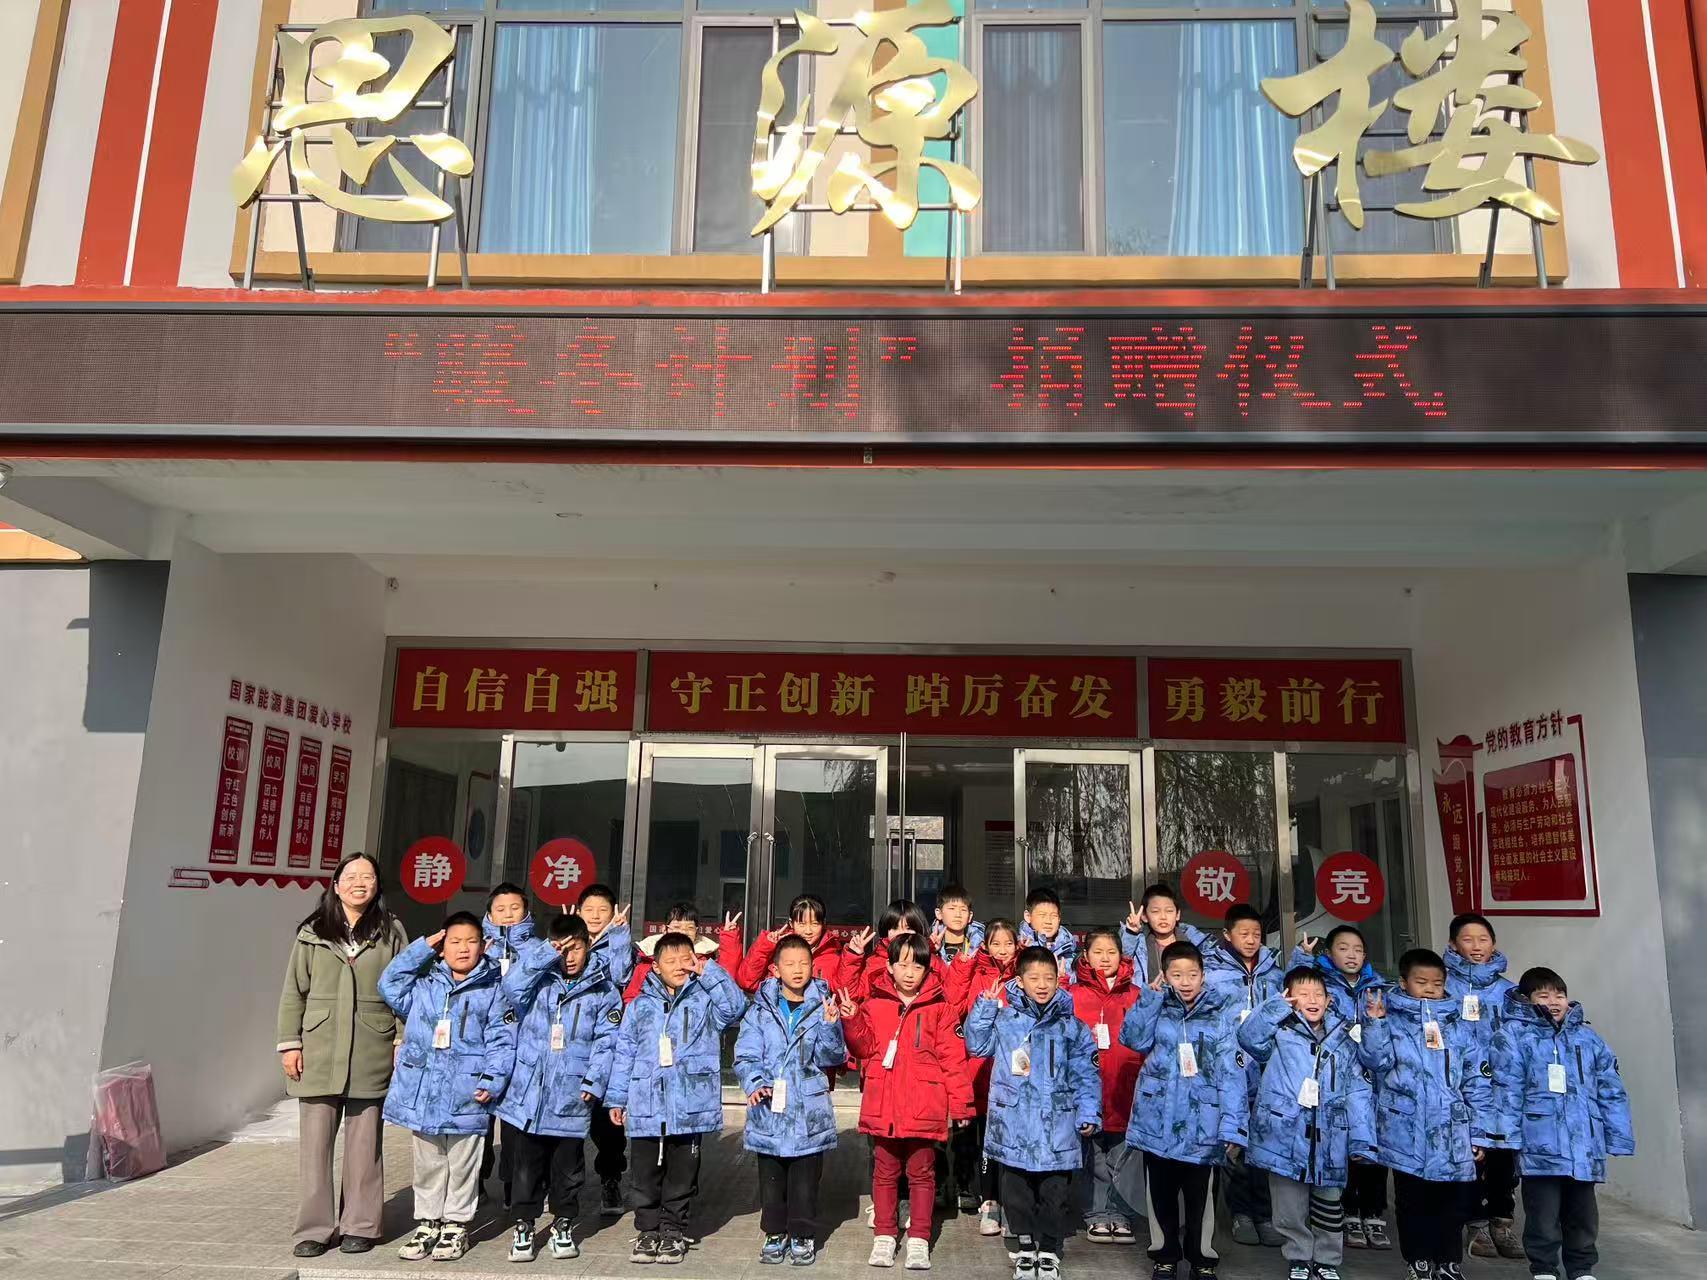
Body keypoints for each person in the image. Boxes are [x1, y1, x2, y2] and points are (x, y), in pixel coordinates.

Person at [276, 852, 410, 1258]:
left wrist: (401, 1040)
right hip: (319, 1048)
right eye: (350, 876)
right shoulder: (313, 932)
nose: (359, 883)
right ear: (336, 886)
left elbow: (404, 989)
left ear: (377, 885)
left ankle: (360, 1225)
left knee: (365, 1145)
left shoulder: (391, 931)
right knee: (315, 1148)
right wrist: (290, 1043)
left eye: (367, 876)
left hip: (371, 1046)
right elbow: (293, 991)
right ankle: (315, 1228)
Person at [378, 911, 517, 1262]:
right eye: (454, 941)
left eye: (471, 941)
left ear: (483, 945)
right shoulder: (425, 985)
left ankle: (456, 1225)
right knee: (427, 1163)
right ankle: (428, 1222)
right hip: (424, 1092)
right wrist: (422, 948)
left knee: (462, 1164)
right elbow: (389, 984)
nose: (463, 948)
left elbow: (502, 1041)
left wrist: (492, 1080)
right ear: (442, 947)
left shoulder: (494, 990)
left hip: (467, 1094)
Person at [606, 931, 748, 1263]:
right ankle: (647, 1230)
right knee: (644, 1175)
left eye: (686, 959)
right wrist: (617, 1098)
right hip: (646, 1103)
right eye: (670, 961)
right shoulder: (640, 1006)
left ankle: (673, 1230)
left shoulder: (705, 1000)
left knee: (681, 1175)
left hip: (689, 1104)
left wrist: (709, 973)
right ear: (655, 966)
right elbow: (624, 1052)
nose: (679, 966)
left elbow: (736, 1008)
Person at [1488, 967, 1634, 1280]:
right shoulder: (1513, 1036)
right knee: (1543, 1214)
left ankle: (1581, 1268)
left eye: (1559, 995)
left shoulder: (1588, 1038)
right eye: (1543, 995)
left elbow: (1611, 1089)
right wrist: (1506, 1137)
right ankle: (1544, 1268)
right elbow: (1507, 1091)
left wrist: (1618, 1135)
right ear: (1526, 999)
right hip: (1539, 1145)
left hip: (1583, 1146)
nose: (1554, 1001)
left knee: (1583, 1215)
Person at [966, 946, 1101, 1280]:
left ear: (1058, 980)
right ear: (1020, 980)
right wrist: (985, 1006)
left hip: (1058, 1128)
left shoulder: (1072, 1027)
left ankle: (1050, 1250)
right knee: (1017, 1196)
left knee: (1055, 1195)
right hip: (1015, 1127)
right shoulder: (1005, 1020)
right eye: (1034, 978)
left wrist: (1088, 1112)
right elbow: (976, 1045)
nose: (1042, 985)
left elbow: (1087, 1073)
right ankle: (1025, 1247)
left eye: (1049, 978)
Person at [1360, 948, 1495, 1280]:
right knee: (1412, 1201)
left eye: (1437, 983)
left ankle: (1449, 1263)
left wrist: (1479, 1132)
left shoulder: (1459, 1026)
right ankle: (1418, 1261)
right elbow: (1375, 1062)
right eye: (1422, 982)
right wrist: (1375, 1024)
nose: (1430, 989)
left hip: (1452, 1130)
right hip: (1405, 1128)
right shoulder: (1391, 1021)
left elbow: (1476, 1081)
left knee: (1453, 1202)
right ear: (1403, 982)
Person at [843, 932, 975, 1271]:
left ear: (928, 969)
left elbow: (953, 1060)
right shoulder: (874, 1004)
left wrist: (961, 1104)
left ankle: (919, 1238)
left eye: (917, 965)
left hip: (924, 1107)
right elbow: (863, 1047)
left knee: (922, 1173)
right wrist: (852, 1018)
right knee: (884, 1173)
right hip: (883, 1105)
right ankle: (885, 1235)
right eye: (902, 965)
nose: (909, 972)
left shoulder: (940, 1008)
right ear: (889, 966)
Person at [497, 912, 624, 1264]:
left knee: (568, 1170)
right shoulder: (537, 979)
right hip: (529, 1096)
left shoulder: (603, 989)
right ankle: (524, 1225)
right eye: (561, 949)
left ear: (588, 946)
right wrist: (543, 954)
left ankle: (563, 1223)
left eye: (576, 948)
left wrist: (595, 1080)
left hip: (571, 1096)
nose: (569, 956)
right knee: (526, 1168)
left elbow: (607, 1041)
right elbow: (510, 988)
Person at [1237, 967, 1377, 1280]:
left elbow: (1357, 1091)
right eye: (1303, 994)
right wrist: (1275, 1007)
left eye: (1318, 994)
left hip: (1331, 1136)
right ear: (1289, 998)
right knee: (1289, 1207)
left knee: (1329, 1204)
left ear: (1329, 1000)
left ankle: (1327, 1260)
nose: (1312, 1000)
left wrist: (1362, 1139)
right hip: (1284, 1135)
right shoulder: (1279, 1032)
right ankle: (1299, 1256)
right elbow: (1248, 1037)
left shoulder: (1344, 1038)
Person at [1119, 941, 1247, 1280]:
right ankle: (1165, 1257)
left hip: (1203, 1127)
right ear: (1165, 976)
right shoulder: (1157, 1007)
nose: (1185, 981)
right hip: (1157, 1122)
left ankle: (1202, 1259)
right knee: (1160, 1197)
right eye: (1177, 974)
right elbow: (1132, 1039)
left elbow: (1232, 1075)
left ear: (1203, 976)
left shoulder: (1220, 1017)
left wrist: (1233, 1127)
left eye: (1192, 974)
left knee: (1200, 1202)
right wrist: (1149, 1000)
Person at [734, 934, 850, 1265]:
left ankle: (802, 1234)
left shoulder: (823, 1003)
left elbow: (831, 1057)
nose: (797, 970)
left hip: (808, 1109)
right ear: (775, 969)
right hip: (769, 1108)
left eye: (804, 963)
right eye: (790, 963)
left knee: (804, 1181)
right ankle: (774, 1232)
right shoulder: (760, 1009)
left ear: (813, 966)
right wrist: (754, 1082)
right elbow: (745, 1054)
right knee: (771, 1180)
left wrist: (830, 1026)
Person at [1295, 924, 1392, 1251]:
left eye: (1358, 949)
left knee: (1373, 1146)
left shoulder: (1378, 988)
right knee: (1340, 1144)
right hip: (1335, 1075)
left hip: (1371, 1078)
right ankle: (1348, 1211)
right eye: (1343, 948)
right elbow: (1295, 991)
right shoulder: (1321, 984)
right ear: (1329, 953)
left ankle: (1374, 1213)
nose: (1351, 955)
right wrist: (1302, 959)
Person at [1203, 903, 1284, 1248]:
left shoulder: (1274, 974)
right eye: (1244, 933)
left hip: (1266, 1071)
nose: (1251, 940)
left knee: (1263, 1144)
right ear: (1227, 935)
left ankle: (1264, 1214)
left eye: (1256, 934)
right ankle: (1240, 1213)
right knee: (1234, 1143)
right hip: (1229, 1069)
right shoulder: (1211, 973)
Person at [1444, 912, 1522, 1261]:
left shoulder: (1510, 992)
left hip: (1502, 1089)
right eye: (1467, 939)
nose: (1476, 946)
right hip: (1462, 1086)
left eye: (1483, 939)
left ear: (1494, 944)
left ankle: (1502, 1222)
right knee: (1470, 1156)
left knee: (1504, 1158)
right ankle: (1475, 1225)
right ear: (1453, 945)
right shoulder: (1444, 986)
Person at [1069, 928, 1145, 1246]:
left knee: (1123, 1154)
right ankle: (1097, 1212)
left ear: (1121, 956)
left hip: (1126, 1087)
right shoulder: (1072, 994)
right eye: (1097, 952)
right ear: (1086, 956)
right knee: (1093, 1155)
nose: (1105, 958)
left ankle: (1121, 1212)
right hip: (1088, 1087)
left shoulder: (1136, 994)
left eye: (1111, 952)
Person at [956, 917, 1022, 1236]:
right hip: (982, 1071)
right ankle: (989, 1202)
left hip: (1016, 1074)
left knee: (1012, 1141)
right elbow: (967, 1020)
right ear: (985, 945)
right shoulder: (978, 975)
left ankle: (1012, 1206)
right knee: (986, 1143)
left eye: (1009, 943)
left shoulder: (1023, 975)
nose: (1003, 949)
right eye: (996, 943)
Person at [577, 881, 635, 1217]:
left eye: (603, 910)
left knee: (606, 1124)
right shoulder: (566, 942)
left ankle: (610, 1179)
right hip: (571, 1045)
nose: (595, 916)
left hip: (605, 1044)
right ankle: (562, 1186)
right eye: (589, 909)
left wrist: (619, 937)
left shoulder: (620, 944)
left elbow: (621, 976)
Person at [480, 882, 535, 1191]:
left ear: (526, 911)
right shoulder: (478, 947)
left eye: (515, 908)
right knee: (479, 1116)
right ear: (489, 913)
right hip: (483, 1044)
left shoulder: (537, 948)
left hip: (523, 1042)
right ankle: (477, 1179)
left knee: (515, 1121)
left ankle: (513, 1185)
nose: (508, 914)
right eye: (500, 909)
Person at [624, 902, 744, 1001]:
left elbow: (727, 980)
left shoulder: (705, 962)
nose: (683, 932)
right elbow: (631, 998)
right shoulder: (647, 963)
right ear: (664, 929)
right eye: (677, 927)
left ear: (697, 932)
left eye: (690, 928)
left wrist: (729, 936)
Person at [739, 893, 842, 993]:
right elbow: (748, 983)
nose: (808, 931)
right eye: (801, 924)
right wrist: (765, 947)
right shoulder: (778, 950)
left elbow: (842, 995)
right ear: (791, 923)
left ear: (823, 923)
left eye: (815, 924)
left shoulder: (834, 957)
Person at [1119, 885, 1208, 985]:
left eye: (1169, 911)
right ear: (1144, 916)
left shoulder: (1196, 941)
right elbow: (1122, 966)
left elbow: (1213, 975)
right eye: (1155, 911)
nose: (1163, 917)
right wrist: (1131, 933)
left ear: (1177, 914)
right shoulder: (1138, 942)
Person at [1018, 887, 1078, 981]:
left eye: (1053, 916)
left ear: (1059, 918)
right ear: (1028, 916)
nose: (1048, 921)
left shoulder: (1070, 951)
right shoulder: (1016, 949)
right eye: (1042, 915)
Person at [933, 884, 985, 964]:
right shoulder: (927, 944)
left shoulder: (982, 945)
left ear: (970, 916)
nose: (958, 915)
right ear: (939, 913)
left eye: (963, 910)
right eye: (952, 909)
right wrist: (932, 950)